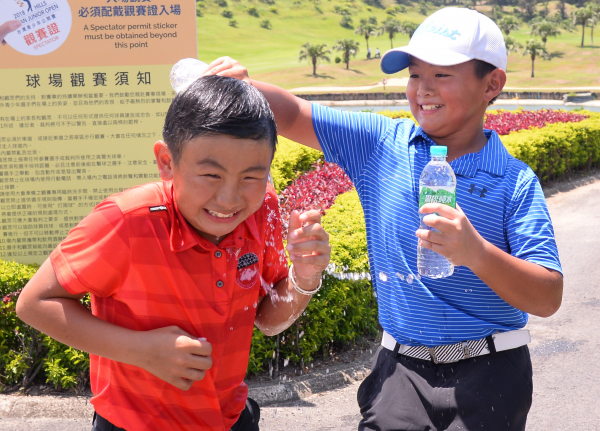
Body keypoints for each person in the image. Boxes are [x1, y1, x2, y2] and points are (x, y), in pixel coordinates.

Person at [202, 7, 563, 431]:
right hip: (400, 372)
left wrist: (476, 253)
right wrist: (244, 87)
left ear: (493, 83)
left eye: (442, 75)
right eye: (414, 75)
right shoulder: (380, 143)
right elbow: (295, 114)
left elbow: (547, 296)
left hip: (492, 372)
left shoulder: (514, 179)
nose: (423, 90)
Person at [16, 76, 332, 431]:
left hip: (231, 419)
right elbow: (33, 303)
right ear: (167, 161)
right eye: (211, 174)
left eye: (251, 177)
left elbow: (268, 320)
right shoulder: (126, 222)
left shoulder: (263, 211)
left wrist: (305, 277)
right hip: (134, 424)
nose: (229, 200)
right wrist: (142, 351)